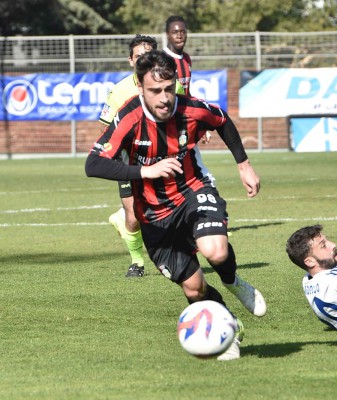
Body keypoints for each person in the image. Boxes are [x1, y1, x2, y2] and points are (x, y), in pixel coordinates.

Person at [86, 50, 267, 361]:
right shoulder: (128, 118)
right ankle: (227, 331)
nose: (164, 97)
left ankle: (234, 281)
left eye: (169, 88)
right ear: (141, 88)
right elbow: (93, 164)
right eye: (155, 91)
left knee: (216, 251)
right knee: (194, 289)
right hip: (154, 216)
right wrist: (144, 171)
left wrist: (244, 165)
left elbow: (222, 120)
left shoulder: (190, 110)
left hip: (192, 191)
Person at [99, 34, 158, 278]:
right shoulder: (119, 91)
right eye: (139, 57)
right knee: (134, 219)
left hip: (163, 158)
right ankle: (137, 261)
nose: (144, 60)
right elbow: (105, 128)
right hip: (129, 161)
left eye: (149, 56)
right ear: (130, 60)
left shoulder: (169, 83)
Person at [163, 15, 192, 96]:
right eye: (175, 32)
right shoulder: (161, 59)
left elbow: (187, 91)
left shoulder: (187, 58)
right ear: (167, 35)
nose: (179, 36)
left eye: (183, 32)